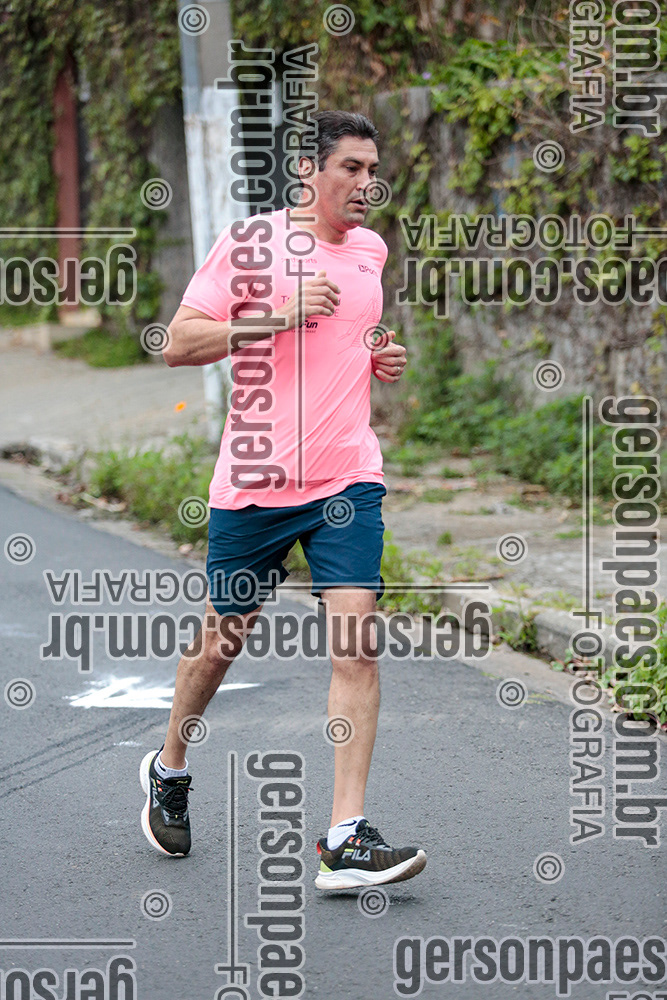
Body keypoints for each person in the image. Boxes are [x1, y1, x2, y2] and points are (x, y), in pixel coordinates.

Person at [139, 110, 426, 889]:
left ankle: (344, 838)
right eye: (351, 168)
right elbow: (177, 344)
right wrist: (278, 315)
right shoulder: (251, 245)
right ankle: (169, 765)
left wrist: (377, 355)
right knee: (220, 644)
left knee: (356, 645)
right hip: (255, 484)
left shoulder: (370, 250)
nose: (366, 184)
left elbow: (350, 338)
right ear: (308, 169)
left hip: (345, 480)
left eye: (373, 170)